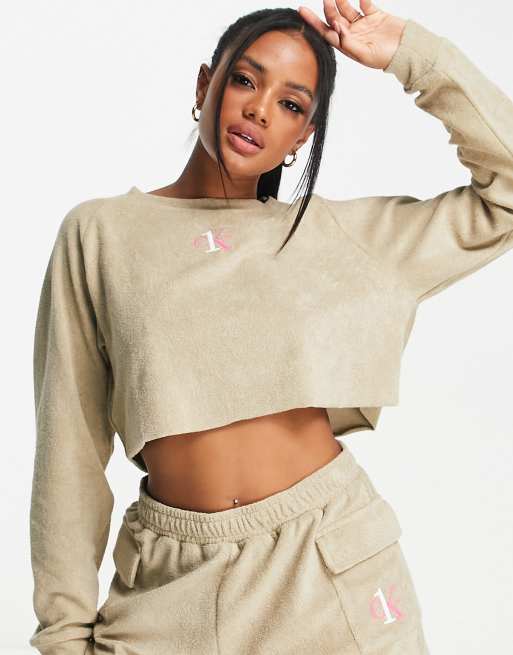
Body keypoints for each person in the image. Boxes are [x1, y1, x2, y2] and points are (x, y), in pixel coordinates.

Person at [29, 1, 513, 653]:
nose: (259, 110)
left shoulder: (339, 237)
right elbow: (70, 445)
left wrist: (413, 55)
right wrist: (63, 634)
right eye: (244, 80)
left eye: (290, 104)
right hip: (165, 592)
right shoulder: (101, 234)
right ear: (205, 85)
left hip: (326, 571)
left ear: (304, 134)